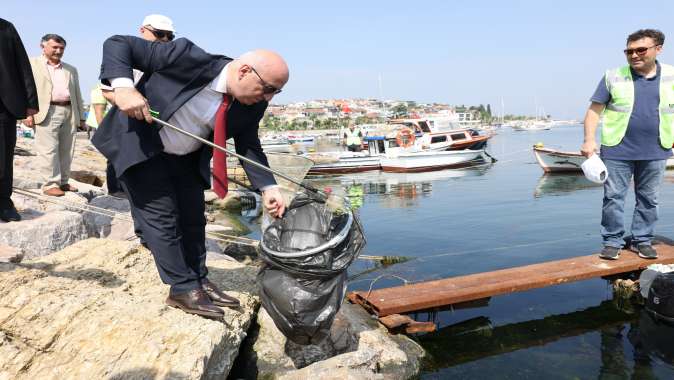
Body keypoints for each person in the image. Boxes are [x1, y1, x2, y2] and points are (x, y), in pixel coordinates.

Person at [93, 35, 288, 318]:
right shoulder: (184, 57)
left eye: (276, 92)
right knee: (163, 218)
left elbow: (248, 144)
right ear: (245, 71)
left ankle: (198, 279)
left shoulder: (252, 102)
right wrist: (123, 88)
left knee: (193, 219)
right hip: (142, 147)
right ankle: (182, 288)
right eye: (268, 88)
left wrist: (268, 187)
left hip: (186, 158)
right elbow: (117, 44)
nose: (269, 97)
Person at [581, 29, 674, 260]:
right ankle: (612, 241)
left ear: (658, 49)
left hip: (657, 149)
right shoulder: (612, 76)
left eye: (641, 50)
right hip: (617, 149)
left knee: (649, 198)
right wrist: (589, 140)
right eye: (629, 51)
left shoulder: (672, 76)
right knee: (613, 197)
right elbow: (594, 112)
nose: (634, 55)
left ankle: (642, 240)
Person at [101, 14, 176, 196]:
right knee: (118, 154)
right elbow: (106, 90)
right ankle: (116, 192)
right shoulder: (124, 56)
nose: (165, 39)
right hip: (126, 116)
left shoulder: (170, 60)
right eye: (160, 33)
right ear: (142, 30)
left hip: (154, 120)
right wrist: (130, 102)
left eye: (169, 36)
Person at [26, 34, 85, 197]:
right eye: (55, 47)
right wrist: (25, 112)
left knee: (67, 149)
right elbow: (25, 89)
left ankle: (64, 182)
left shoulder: (71, 69)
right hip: (45, 111)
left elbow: (77, 93)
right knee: (48, 149)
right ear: (42, 47)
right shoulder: (31, 64)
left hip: (69, 111)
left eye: (62, 48)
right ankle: (50, 184)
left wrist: (81, 117)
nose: (58, 51)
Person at [0, 18, 38, 222]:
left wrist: (30, 103)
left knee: (4, 156)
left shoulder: (6, 28)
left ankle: (4, 203)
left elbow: (22, 64)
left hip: (4, 104)